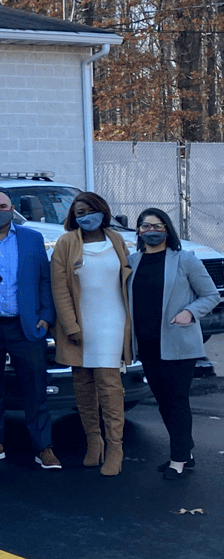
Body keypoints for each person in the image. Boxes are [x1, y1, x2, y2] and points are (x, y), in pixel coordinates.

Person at [126, 208, 217, 480]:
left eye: (157, 225)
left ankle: (178, 458)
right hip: (147, 343)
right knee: (164, 401)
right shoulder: (132, 261)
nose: (151, 230)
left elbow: (210, 295)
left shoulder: (185, 260)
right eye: (145, 226)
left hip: (178, 342)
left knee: (176, 400)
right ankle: (185, 451)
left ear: (167, 229)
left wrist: (190, 312)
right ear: (139, 231)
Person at [0, 192, 59, 469]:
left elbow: (45, 280)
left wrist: (46, 316)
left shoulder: (31, 239)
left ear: (12, 210)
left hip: (25, 325)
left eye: (2, 207)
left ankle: (43, 446)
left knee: (35, 387)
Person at [49, 192, 131, 476]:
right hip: (80, 326)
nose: (86, 217)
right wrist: (70, 326)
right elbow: (59, 288)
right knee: (83, 386)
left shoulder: (116, 240)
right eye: (80, 212)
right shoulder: (66, 243)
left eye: (90, 211)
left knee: (110, 387)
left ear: (102, 211)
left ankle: (115, 448)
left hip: (113, 322)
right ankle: (93, 442)